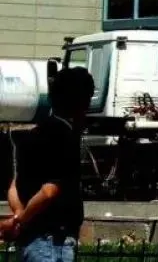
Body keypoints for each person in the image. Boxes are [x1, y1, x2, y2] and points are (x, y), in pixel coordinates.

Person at [0, 67, 95, 262]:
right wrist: (20, 221)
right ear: (82, 102)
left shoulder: (33, 134)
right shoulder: (66, 136)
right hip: (53, 242)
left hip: (30, 242)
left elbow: (14, 186)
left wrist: (18, 217)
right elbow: (49, 191)